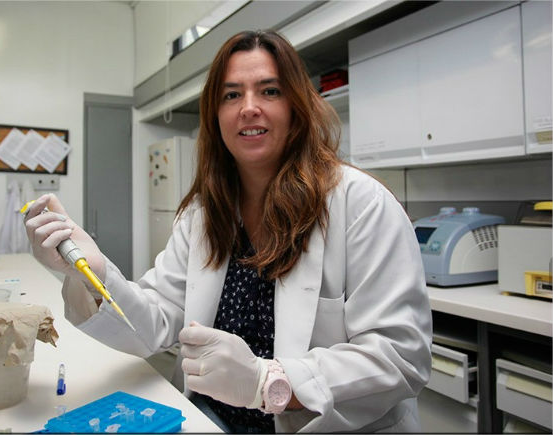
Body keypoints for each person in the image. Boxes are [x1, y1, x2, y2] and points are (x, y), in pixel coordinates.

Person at [24, 29, 432, 433]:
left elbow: (400, 356)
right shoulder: (204, 214)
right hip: (211, 420)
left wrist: (267, 383)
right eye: (232, 95)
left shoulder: (360, 204)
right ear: (215, 115)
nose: (249, 108)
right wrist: (92, 272)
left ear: (296, 105)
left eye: (269, 91)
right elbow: (159, 321)